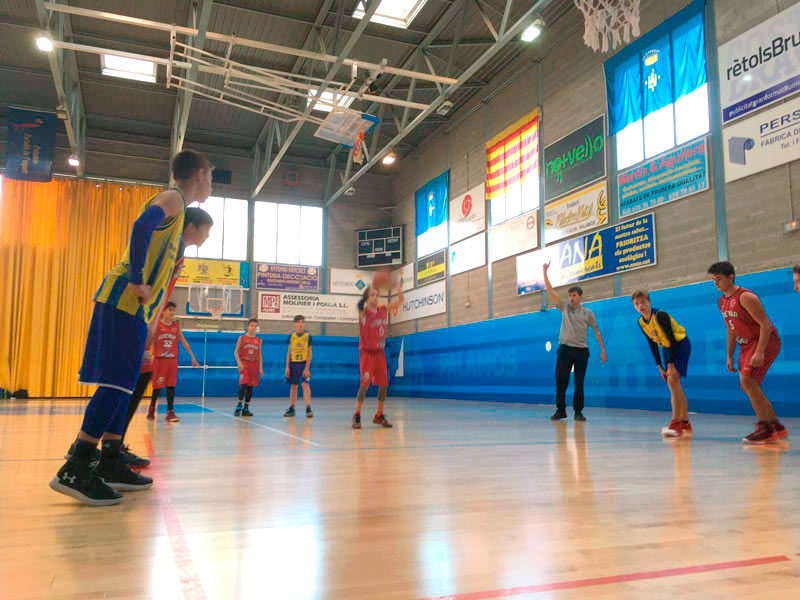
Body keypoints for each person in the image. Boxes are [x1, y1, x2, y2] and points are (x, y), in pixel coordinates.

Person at [49, 149, 213, 506]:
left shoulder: (178, 209)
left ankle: (109, 459)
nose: (211, 185)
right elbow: (141, 226)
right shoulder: (174, 198)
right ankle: (75, 467)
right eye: (211, 177)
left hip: (134, 308)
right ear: (200, 173)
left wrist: (151, 317)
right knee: (115, 383)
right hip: (123, 299)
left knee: (123, 385)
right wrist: (137, 279)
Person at [708, 261, 788, 443]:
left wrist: (760, 352)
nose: (716, 283)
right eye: (713, 280)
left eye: (719, 279)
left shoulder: (745, 297)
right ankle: (776, 426)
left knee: (747, 381)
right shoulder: (721, 301)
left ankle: (766, 428)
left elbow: (765, 325)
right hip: (746, 345)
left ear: (731, 277)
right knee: (748, 385)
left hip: (765, 341)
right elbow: (730, 330)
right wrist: (729, 355)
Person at [542, 262, 606, 422]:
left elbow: (596, 331)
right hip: (565, 349)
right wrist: (545, 272)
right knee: (561, 379)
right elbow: (550, 291)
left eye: (574, 295)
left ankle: (578, 412)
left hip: (581, 351)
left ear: (580, 297)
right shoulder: (564, 307)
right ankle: (561, 410)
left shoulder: (588, 313)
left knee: (579, 382)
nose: (571, 298)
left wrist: (603, 350)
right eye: (570, 295)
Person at [631, 291, 693, 437]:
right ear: (634, 306)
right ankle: (685, 423)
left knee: (672, 380)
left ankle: (675, 423)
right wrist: (659, 366)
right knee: (674, 383)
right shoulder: (641, 322)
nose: (640, 306)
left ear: (649, 302)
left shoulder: (660, 315)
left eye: (643, 302)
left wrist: (670, 364)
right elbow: (652, 344)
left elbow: (672, 339)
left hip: (679, 345)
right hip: (667, 348)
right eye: (637, 304)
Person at [352, 278, 403, 429]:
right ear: (367, 298)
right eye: (372, 295)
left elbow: (400, 301)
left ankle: (379, 415)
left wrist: (398, 287)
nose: (376, 297)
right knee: (364, 384)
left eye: (377, 295)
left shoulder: (383, 310)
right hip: (367, 353)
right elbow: (359, 305)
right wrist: (369, 289)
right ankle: (357, 414)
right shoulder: (364, 313)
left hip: (380, 352)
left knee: (383, 384)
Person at [146, 301, 200, 423]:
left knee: (171, 386)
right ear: (163, 312)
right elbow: (149, 341)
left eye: (173, 310)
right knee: (157, 387)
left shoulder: (176, 326)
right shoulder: (157, 325)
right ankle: (152, 408)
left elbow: (184, 341)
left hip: (172, 361)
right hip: (159, 360)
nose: (172, 312)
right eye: (170, 310)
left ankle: (170, 412)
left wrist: (192, 356)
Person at [283, 315, 313, 418]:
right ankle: (292, 408)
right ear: (294, 324)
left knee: (305, 384)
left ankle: (308, 408)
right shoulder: (292, 336)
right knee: (294, 385)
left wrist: (307, 368)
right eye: (298, 322)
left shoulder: (308, 336)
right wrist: (287, 367)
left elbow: (309, 353)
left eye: (302, 322)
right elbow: (289, 352)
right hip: (293, 364)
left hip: (303, 363)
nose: (300, 324)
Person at [234, 318, 263, 417]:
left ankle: (246, 408)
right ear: (247, 326)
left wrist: (260, 367)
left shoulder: (258, 340)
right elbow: (236, 352)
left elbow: (259, 355)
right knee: (244, 384)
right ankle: (239, 405)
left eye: (255, 326)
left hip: (254, 365)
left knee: (250, 386)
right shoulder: (242, 338)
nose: (253, 327)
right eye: (251, 325)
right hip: (244, 364)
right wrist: (239, 363)